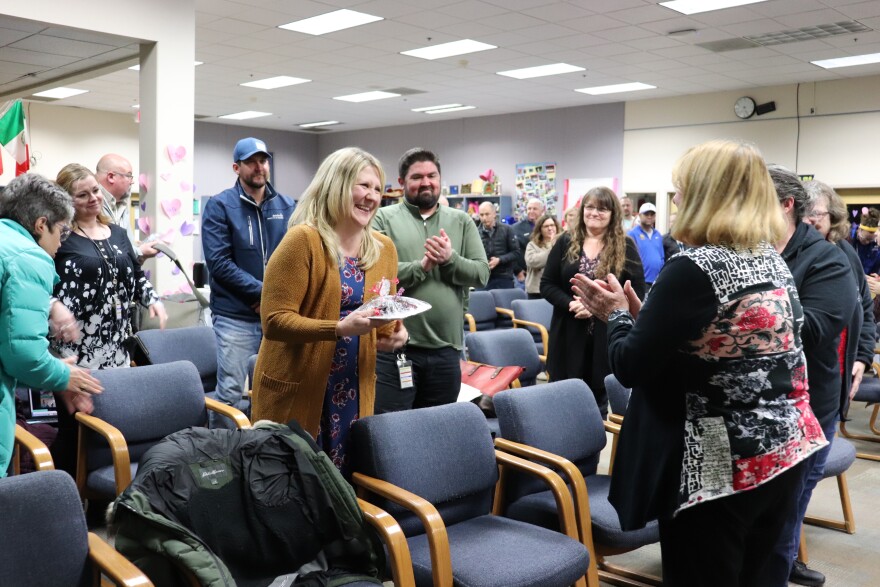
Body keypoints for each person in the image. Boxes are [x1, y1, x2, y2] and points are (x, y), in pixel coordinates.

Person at [574, 139, 827, 586]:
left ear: (706, 195)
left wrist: (613, 315)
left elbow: (629, 366)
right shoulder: (770, 257)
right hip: (787, 449)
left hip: (720, 465)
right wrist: (643, 318)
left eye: (682, 188)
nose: (675, 199)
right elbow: (721, 342)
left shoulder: (695, 265)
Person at [251, 147, 406, 476]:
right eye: (363, 186)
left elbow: (380, 316)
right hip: (301, 386)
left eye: (378, 189)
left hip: (352, 385)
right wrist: (337, 329)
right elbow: (274, 321)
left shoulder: (384, 249)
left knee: (347, 481)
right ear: (337, 185)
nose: (372, 197)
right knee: (295, 486)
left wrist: (395, 332)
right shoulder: (303, 241)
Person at [769, 166, 855, 587]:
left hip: (808, 405)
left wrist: (745, 316)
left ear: (785, 206)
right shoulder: (754, 251)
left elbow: (817, 330)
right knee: (765, 516)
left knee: (786, 511)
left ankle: (780, 571)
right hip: (759, 405)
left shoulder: (827, 259)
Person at [0, 174, 103, 477]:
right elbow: (22, 355)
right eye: (61, 231)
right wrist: (63, 376)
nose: (61, 242)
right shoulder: (28, 256)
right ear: (41, 225)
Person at [372, 147, 489, 413]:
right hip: (397, 350)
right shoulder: (382, 219)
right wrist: (421, 267)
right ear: (401, 183)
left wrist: (450, 259)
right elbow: (376, 274)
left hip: (447, 350)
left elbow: (481, 274)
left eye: (432, 175)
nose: (426, 182)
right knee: (395, 428)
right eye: (417, 177)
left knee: (439, 428)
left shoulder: (461, 221)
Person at [202, 137, 295, 428]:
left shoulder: (287, 205)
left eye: (263, 160)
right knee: (229, 392)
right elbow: (219, 264)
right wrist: (265, 293)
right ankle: (221, 457)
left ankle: (264, 450)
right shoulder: (220, 206)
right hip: (236, 318)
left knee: (276, 389)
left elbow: (294, 260)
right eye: (251, 162)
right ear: (236, 167)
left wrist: (273, 300)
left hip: (277, 317)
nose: (259, 167)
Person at [540, 187, 645, 416]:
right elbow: (547, 285)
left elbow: (637, 290)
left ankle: (590, 451)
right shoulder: (565, 241)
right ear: (582, 210)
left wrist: (603, 307)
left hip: (605, 338)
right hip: (567, 334)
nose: (594, 212)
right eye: (589, 207)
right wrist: (571, 303)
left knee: (595, 409)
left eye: (602, 208)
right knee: (559, 406)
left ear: (613, 213)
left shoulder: (625, 246)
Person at [52, 164, 167, 369]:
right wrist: (54, 306)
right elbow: (39, 282)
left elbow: (137, 275)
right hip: (74, 347)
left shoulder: (119, 234)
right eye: (83, 195)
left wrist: (153, 300)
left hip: (117, 345)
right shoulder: (59, 237)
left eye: (96, 190)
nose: (93, 198)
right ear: (67, 201)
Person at [804, 180, 875, 408]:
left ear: (832, 217)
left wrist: (863, 357)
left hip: (837, 374)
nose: (810, 219)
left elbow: (864, 308)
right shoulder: (790, 254)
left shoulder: (845, 253)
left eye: (816, 213)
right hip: (803, 379)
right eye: (804, 212)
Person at [96, 153, 157, 262]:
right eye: (129, 175)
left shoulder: (122, 205)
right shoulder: (93, 204)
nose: (132, 181)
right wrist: (140, 252)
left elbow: (125, 246)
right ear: (111, 177)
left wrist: (138, 248)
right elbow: (102, 251)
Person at [478, 201, 519, 289]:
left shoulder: (507, 230)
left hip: (503, 278)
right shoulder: (475, 233)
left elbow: (516, 252)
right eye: (481, 215)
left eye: (487, 214)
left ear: (494, 214)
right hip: (483, 278)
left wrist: (499, 260)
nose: (484, 218)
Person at [627, 202, 665, 289]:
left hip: (657, 281)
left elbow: (661, 257)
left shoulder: (658, 235)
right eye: (646, 214)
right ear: (639, 216)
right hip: (641, 281)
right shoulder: (632, 234)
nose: (649, 216)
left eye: (652, 214)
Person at [524, 213, 560, 299]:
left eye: (552, 225)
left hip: (556, 290)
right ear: (540, 229)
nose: (550, 228)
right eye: (546, 226)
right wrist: (552, 248)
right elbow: (532, 262)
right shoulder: (532, 245)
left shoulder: (562, 243)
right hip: (537, 292)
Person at [512, 197, 545, 283]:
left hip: (543, 275)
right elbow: (512, 251)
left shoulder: (548, 226)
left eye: (535, 209)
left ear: (542, 211)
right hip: (524, 275)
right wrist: (518, 271)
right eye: (529, 208)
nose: (531, 211)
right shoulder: (516, 228)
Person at [852, 207, 880, 275]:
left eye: (871, 239)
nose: (867, 242)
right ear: (859, 230)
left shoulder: (876, 243)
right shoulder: (848, 239)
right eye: (866, 238)